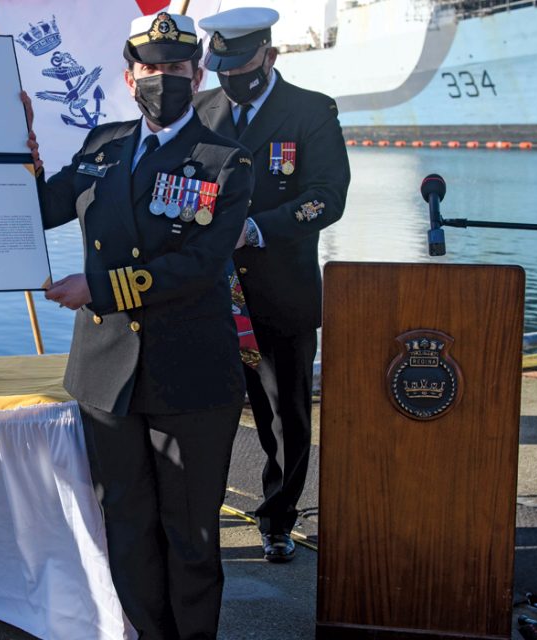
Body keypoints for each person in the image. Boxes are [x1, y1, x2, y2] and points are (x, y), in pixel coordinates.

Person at [27, 11, 255, 639]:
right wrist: (18, 157)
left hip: (189, 378)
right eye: (150, 69)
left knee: (192, 537)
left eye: (176, 68)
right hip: (107, 379)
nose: (163, 79)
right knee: (125, 529)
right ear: (130, 78)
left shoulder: (224, 161)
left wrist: (95, 288)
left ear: (197, 73)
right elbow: (40, 210)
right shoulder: (101, 145)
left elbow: (197, 264)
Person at [193, 7, 351, 563]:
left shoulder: (310, 111)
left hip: (280, 291)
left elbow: (327, 196)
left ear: (269, 56)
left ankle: (277, 520)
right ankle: (197, 513)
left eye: (239, 66)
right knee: (204, 407)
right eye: (220, 67)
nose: (229, 78)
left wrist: (258, 228)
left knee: (285, 417)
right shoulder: (201, 109)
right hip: (208, 294)